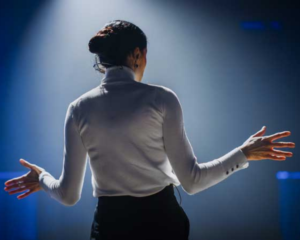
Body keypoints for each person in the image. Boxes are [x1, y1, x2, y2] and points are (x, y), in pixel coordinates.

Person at [3, 20, 296, 240]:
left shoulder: (78, 108)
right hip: (163, 224)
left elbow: (68, 196)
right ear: (137, 54)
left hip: (109, 227)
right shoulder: (161, 99)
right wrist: (243, 153)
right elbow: (192, 182)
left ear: (102, 61)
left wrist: (41, 177)